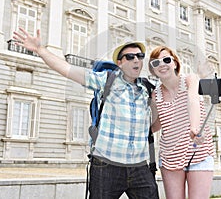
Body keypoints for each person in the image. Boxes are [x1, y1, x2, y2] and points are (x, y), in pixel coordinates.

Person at [13, 28, 159, 199]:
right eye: (130, 56)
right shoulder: (106, 80)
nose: (136, 60)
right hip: (107, 165)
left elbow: (152, 126)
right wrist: (40, 50)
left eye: (140, 56)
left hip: (140, 166)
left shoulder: (147, 89)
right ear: (120, 63)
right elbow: (67, 69)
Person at [148, 46, 214, 199]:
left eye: (166, 60)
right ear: (153, 69)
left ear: (175, 63)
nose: (162, 65)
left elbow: (193, 101)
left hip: (198, 152)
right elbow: (158, 123)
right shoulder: (155, 94)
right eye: (156, 63)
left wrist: (195, 128)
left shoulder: (190, 79)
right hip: (169, 156)